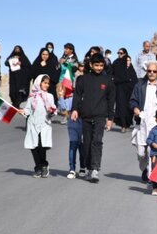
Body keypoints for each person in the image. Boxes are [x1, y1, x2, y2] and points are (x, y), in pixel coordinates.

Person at [71, 53, 116, 183]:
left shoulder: (108, 80)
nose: (99, 68)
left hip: (100, 117)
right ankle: (89, 167)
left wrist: (110, 119)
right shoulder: (83, 79)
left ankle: (95, 169)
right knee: (87, 144)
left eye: (101, 65)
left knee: (97, 141)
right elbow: (77, 96)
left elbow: (111, 100)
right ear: (91, 65)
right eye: (96, 65)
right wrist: (74, 109)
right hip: (85, 116)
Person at [129, 61, 157, 180]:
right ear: (146, 71)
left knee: (153, 152)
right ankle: (145, 168)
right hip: (142, 124)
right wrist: (135, 108)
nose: (152, 73)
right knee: (141, 153)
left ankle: (151, 177)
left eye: (154, 71)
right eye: (149, 71)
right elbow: (132, 101)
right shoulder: (139, 86)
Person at [17, 75, 56, 178]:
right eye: (44, 83)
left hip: (44, 124)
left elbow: (54, 110)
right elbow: (28, 109)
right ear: (39, 83)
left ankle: (44, 165)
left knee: (42, 146)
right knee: (33, 146)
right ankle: (38, 167)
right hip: (33, 124)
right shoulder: (32, 97)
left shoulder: (49, 96)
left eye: (48, 83)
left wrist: (51, 111)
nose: (47, 85)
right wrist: (23, 111)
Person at [58, 64, 85, 179]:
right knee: (73, 145)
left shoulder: (89, 97)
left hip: (85, 123)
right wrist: (60, 96)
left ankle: (83, 167)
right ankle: (72, 169)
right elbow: (63, 108)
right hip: (73, 123)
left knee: (83, 146)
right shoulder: (71, 96)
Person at [112, 48, 138, 132]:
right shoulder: (116, 64)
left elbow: (134, 80)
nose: (120, 54)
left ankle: (127, 123)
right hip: (120, 89)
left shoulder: (131, 68)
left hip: (130, 90)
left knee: (129, 108)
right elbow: (114, 76)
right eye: (118, 53)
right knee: (121, 107)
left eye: (122, 53)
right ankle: (123, 125)